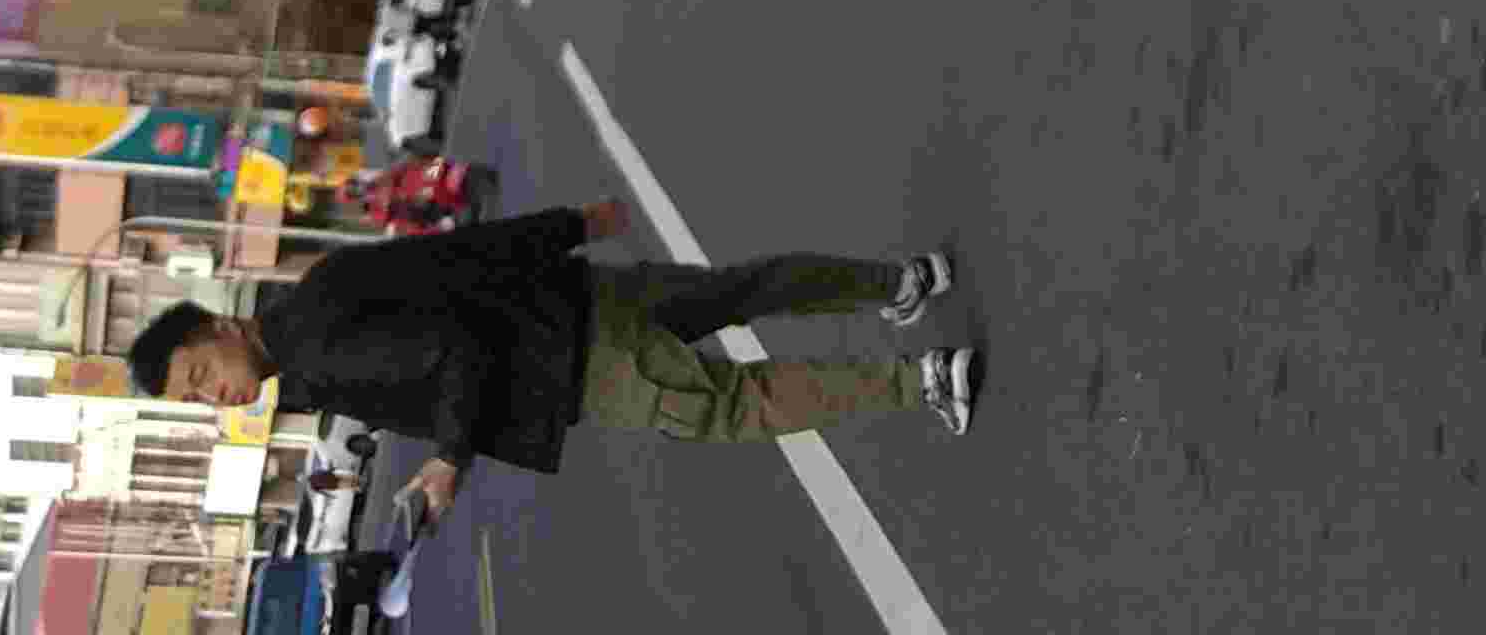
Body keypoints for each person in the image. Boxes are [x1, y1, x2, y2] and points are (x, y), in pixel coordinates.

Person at [127, 195, 976, 518]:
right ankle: (902, 281)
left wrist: (449, 458)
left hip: (572, 362)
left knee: (731, 406)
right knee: (740, 290)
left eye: (201, 375)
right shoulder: (321, 286)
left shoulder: (315, 353)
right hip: (577, 297)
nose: (216, 396)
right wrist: (566, 228)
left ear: (223, 328)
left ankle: (924, 377)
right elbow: (454, 255)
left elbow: (453, 353)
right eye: (197, 400)